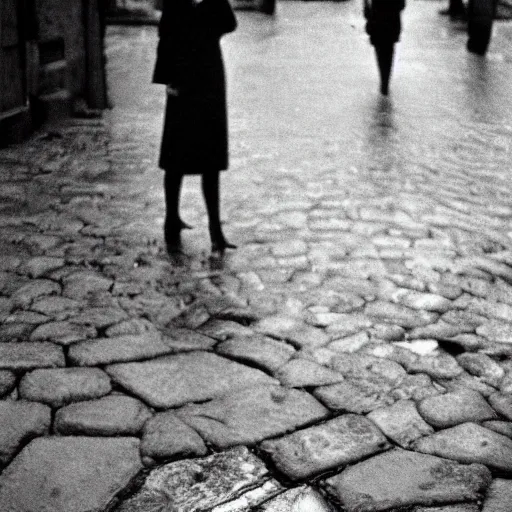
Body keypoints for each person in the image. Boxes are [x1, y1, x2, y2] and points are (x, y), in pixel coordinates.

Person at [153, 0, 237, 255]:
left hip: (209, 81)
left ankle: (215, 230)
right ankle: (171, 219)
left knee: (211, 158)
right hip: (183, 81)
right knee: (175, 154)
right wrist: (168, 78)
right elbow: (165, 35)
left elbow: (230, 24)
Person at [364, 0, 406, 96]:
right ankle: (385, 81)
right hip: (392, 13)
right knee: (389, 47)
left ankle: (384, 80)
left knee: (380, 46)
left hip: (377, 14)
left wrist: (366, 6)